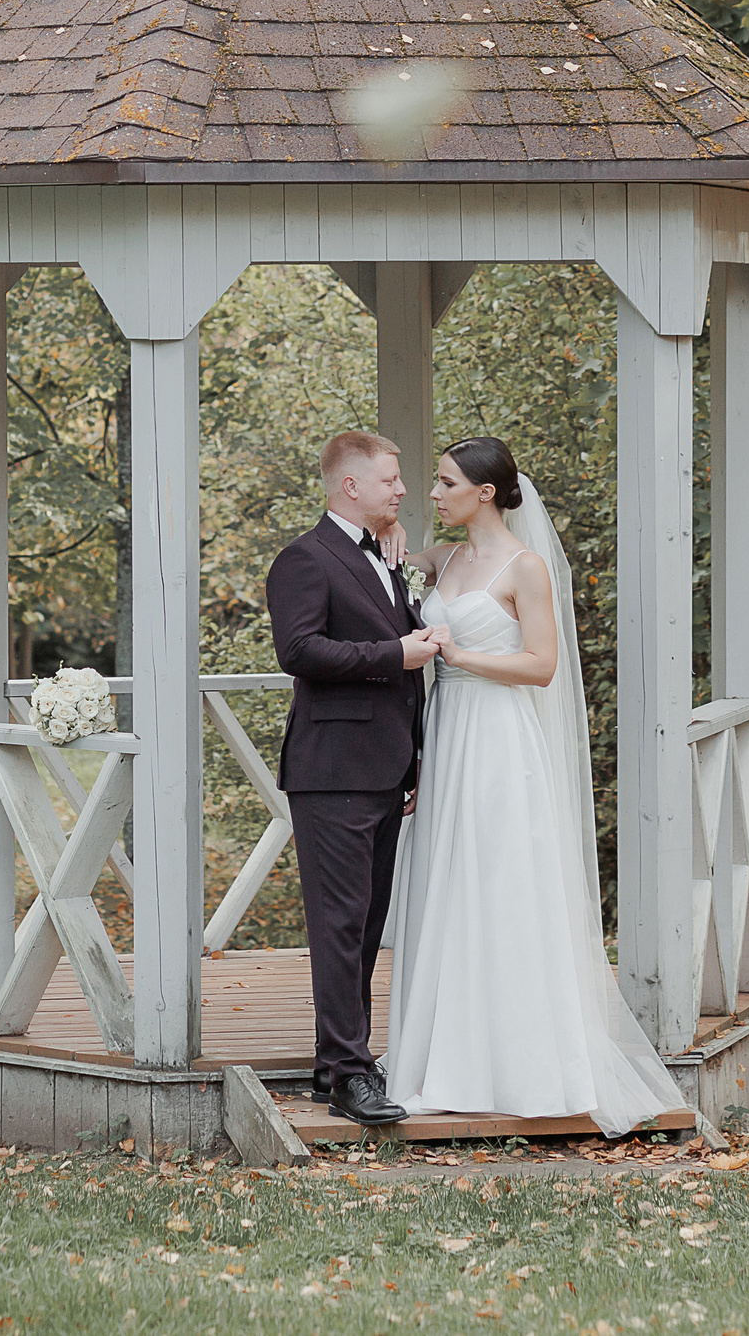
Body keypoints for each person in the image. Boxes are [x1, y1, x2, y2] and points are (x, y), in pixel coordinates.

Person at [381, 435, 688, 1135]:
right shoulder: (448, 557)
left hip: (497, 735)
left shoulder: (526, 568)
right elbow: (397, 557)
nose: (433, 493)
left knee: (503, 884)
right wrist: (392, 527)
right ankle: (448, 1059)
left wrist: (460, 655)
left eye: (447, 482)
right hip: (449, 732)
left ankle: (522, 1063)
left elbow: (542, 665)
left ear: (485, 492)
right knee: (450, 884)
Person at [264, 430, 448, 1126]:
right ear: (351, 486)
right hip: (331, 769)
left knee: (366, 924)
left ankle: (334, 1061)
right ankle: (348, 1071)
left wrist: (415, 755)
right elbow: (300, 649)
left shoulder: (385, 553)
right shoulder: (304, 559)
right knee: (340, 924)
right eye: (392, 481)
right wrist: (394, 652)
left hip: (384, 766)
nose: (402, 490)